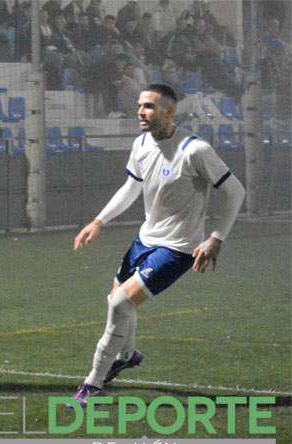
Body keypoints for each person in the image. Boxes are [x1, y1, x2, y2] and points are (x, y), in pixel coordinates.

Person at [70, 84, 245, 406]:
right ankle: (127, 355)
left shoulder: (195, 150)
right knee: (119, 301)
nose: (141, 111)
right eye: (140, 105)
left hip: (178, 249)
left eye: (149, 106)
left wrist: (216, 238)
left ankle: (92, 383)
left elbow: (235, 191)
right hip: (144, 240)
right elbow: (130, 187)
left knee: (119, 304)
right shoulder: (140, 144)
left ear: (169, 112)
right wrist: (98, 221)